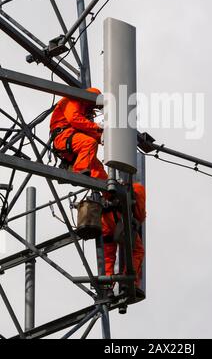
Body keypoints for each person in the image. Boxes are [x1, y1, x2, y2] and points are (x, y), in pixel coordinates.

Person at [50, 89, 146, 295]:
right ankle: (130, 284)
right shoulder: (75, 100)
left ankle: (107, 289)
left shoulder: (79, 106)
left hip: (107, 218)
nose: (94, 111)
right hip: (65, 138)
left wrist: (108, 189)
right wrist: (98, 131)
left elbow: (99, 174)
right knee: (89, 144)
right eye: (95, 107)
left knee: (109, 256)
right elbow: (74, 119)